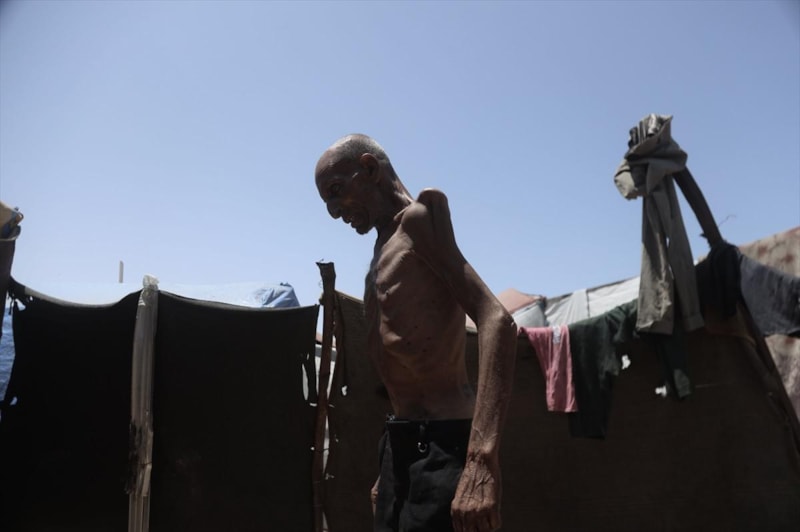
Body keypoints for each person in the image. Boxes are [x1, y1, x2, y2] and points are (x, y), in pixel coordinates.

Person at [315, 134, 517, 532]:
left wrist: (480, 460)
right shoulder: (383, 246)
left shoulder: (419, 220)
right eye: (327, 202)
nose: (335, 212)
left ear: (369, 168)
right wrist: (391, 465)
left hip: (445, 444)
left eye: (336, 191)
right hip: (401, 446)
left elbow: (497, 321)